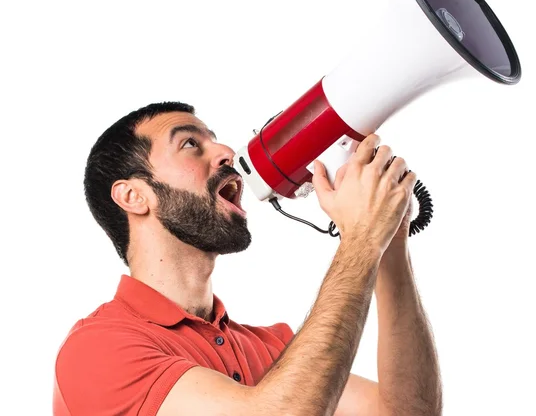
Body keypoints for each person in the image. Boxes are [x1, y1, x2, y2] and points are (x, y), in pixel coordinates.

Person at [52, 101, 442, 416]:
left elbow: (409, 412)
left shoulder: (274, 350)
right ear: (134, 196)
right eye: (190, 144)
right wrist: (360, 240)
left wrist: (389, 237)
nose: (225, 153)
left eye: (216, 141)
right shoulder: (98, 349)